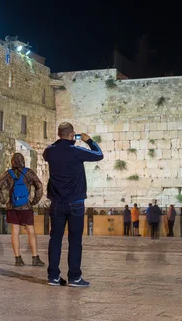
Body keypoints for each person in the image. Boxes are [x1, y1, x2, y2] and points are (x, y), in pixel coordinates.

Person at [43, 122, 103, 287]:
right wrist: (88, 140)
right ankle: (74, 277)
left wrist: (61, 141)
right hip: (75, 203)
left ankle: (53, 277)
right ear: (72, 135)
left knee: (55, 239)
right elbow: (99, 154)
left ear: (58, 134)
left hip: (56, 202)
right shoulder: (76, 151)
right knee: (75, 240)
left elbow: (47, 150)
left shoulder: (50, 151)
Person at [0, 153, 45, 267]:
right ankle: (35, 257)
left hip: (12, 207)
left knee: (15, 231)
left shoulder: (8, 174)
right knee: (31, 231)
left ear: (12, 162)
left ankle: (18, 259)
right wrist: (34, 200)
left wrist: (4, 200)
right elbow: (39, 186)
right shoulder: (28, 173)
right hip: (26, 207)